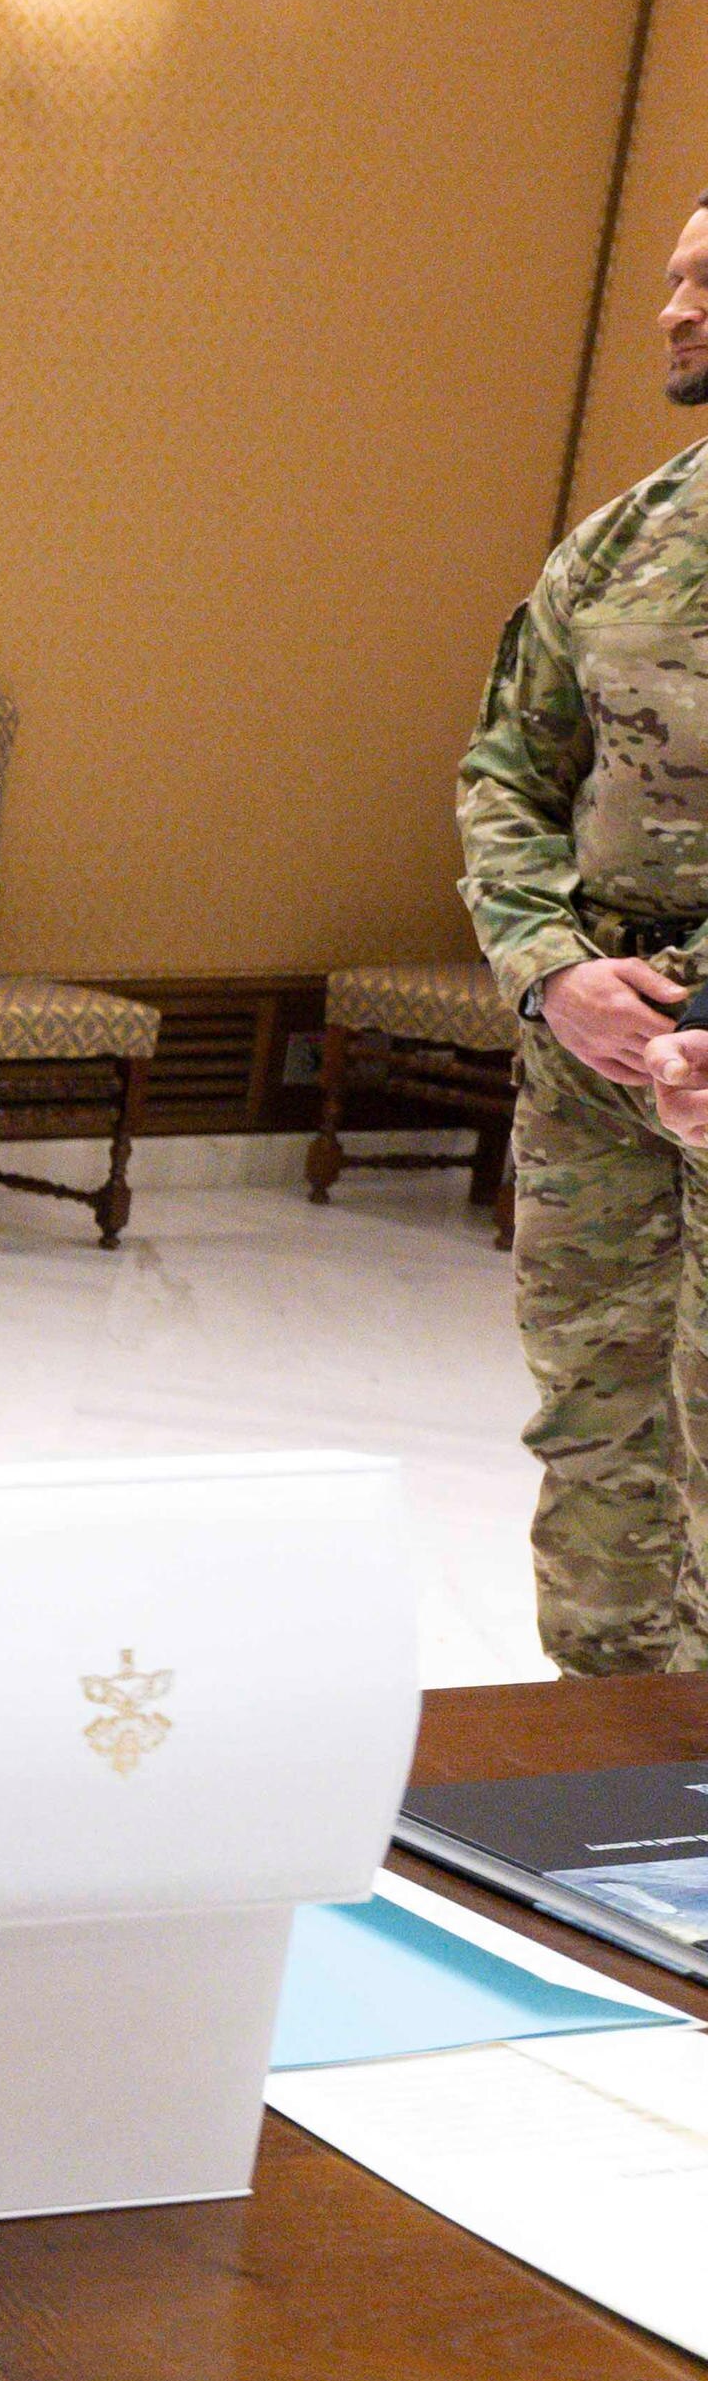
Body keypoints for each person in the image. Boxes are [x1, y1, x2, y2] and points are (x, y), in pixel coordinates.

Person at [497, 191, 708, 1670]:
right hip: (601, 1061)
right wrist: (552, 971)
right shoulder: (624, 540)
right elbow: (506, 771)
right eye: (674, 277)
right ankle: (604, 1778)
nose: (672, 309)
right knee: (596, 1427)